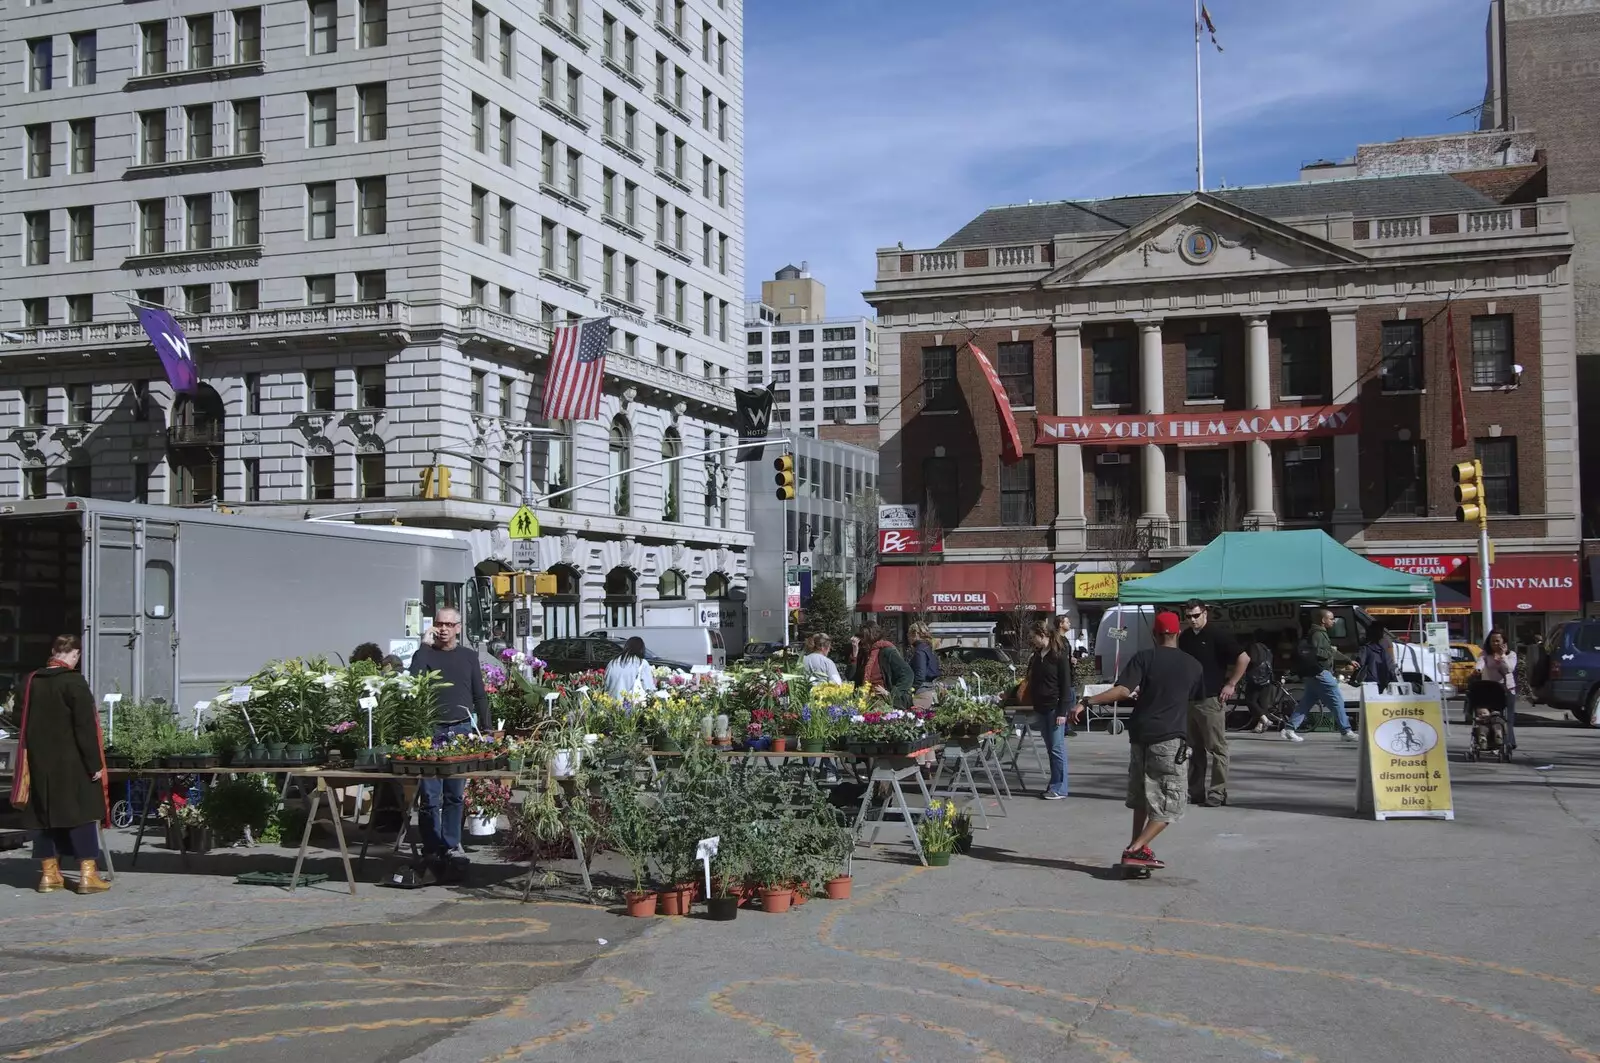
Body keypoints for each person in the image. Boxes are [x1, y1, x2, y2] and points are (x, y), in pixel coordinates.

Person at [1080, 611, 1203, 869]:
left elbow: (1123, 690)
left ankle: (1139, 847)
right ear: (1177, 632)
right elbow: (1193, 700)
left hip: (1140, 735)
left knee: (1143, 799)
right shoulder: (1193, 665)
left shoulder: (1144, 658)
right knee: (1172, 804)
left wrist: (1087, 701)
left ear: (1154, 634)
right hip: (1170, 738)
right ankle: (1135, 850)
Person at [11, 635, 111, 894]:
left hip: (38, 761)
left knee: (44, 818)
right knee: (82, 815)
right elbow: (84, 727)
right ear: (75, 654)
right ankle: (88, 876)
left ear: (54, 652)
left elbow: (15, 715)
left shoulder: (30, 681)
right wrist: (94, 764)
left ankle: (49, 875)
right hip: (73, 763)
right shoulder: (74, 682)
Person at [408, 607, 490, 860]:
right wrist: (423, 645)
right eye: (439, 624)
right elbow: (414, 682)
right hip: (431, 729)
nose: (443, 629)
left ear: (458, 627)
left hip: (461, 728)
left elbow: (479, 693)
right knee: (430, 796)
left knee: (454, 794)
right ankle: (432, 845)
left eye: (449, 624)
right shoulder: (424, 655)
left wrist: (486, 728)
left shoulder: (468, 656)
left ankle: (452, 843)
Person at [1176, 600, 1246, 807]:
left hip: (1211, 699)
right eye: (1188, 616)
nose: (1192, 620)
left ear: (1205, 614)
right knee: (1194, 748)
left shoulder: (1218, 635)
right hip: (1190, 699)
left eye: (1196, 616)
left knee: (1217, 748)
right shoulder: (1186, 637)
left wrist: (1231, 684)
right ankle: (1195, 791)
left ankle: (1217, 791)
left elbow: (1244, 658)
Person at [1283, 608, 1357, 743]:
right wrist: (1331, 652)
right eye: (1331, 618)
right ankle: (1346, 731)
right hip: (1320, 673)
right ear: (1323, 620)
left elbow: (1327, 651)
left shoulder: (1318, 633)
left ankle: (1289, 728)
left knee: (1306, 703)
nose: (1333, 621)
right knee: (1337, 700)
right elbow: (1318, 653)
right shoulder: (1318, 634)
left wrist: (1346, 659)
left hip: (1314, 674)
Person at [1025, 621, 1075, 800]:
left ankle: (1060, 787)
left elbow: (1066, 684)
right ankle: (1055, 783)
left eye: (1033, 637)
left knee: (1056, 748)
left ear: (1042, 635)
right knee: (1050, 749)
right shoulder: (1037, 655)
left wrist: (1063, 712)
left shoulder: (1058, 655)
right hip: (1041, 707)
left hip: (1055, 707)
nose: (1033, 640)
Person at [1476, 628, 1519, 753]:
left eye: (1497, 641)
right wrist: (1477, 669)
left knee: (1507, 718)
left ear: (1504, 642)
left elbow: (1509, 668)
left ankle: (1509, 742)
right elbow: (1480, 663)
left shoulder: (1511, 655)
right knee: (1491, 716)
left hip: (1507, 689)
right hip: (1491, 689)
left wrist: (1503, 656)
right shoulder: (1485, 654)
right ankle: (1492, 742)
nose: (1495, 644)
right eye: (1492, 641)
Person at [855, 623, 913, 709]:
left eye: (863, 638)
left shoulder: (887, 652)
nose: (862, 642)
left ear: (870, 638)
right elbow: (852, 676)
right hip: (866, 699)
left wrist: (891, 693)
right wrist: (854, 653)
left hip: (881, 700)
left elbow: (908, 674)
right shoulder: (865, 654)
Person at [1240, 629, 1280, 733]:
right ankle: (1259, 726)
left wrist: (1245, 669)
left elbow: (1252, 660)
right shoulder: (1267, 649)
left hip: (1256, 678)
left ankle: (1265, 720)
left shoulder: (1254, 647)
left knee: (1250, 700)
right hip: (1266, 678)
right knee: (1262, 703)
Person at [907, 622, 941, 710]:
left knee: (918, 721)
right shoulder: (928, 648)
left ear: (915, 634)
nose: (908, 637)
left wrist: (911, 689)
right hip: (930, 690)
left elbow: (920, 674)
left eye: (909, 634)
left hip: (921, 692)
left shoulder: (920, 651)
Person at [1355, 622, 1398, 692]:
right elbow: (1391, 660)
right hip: (1385, 674)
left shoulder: (1366, 646)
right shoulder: (1387, 642)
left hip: (1371, 677)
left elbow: (1360, 662)